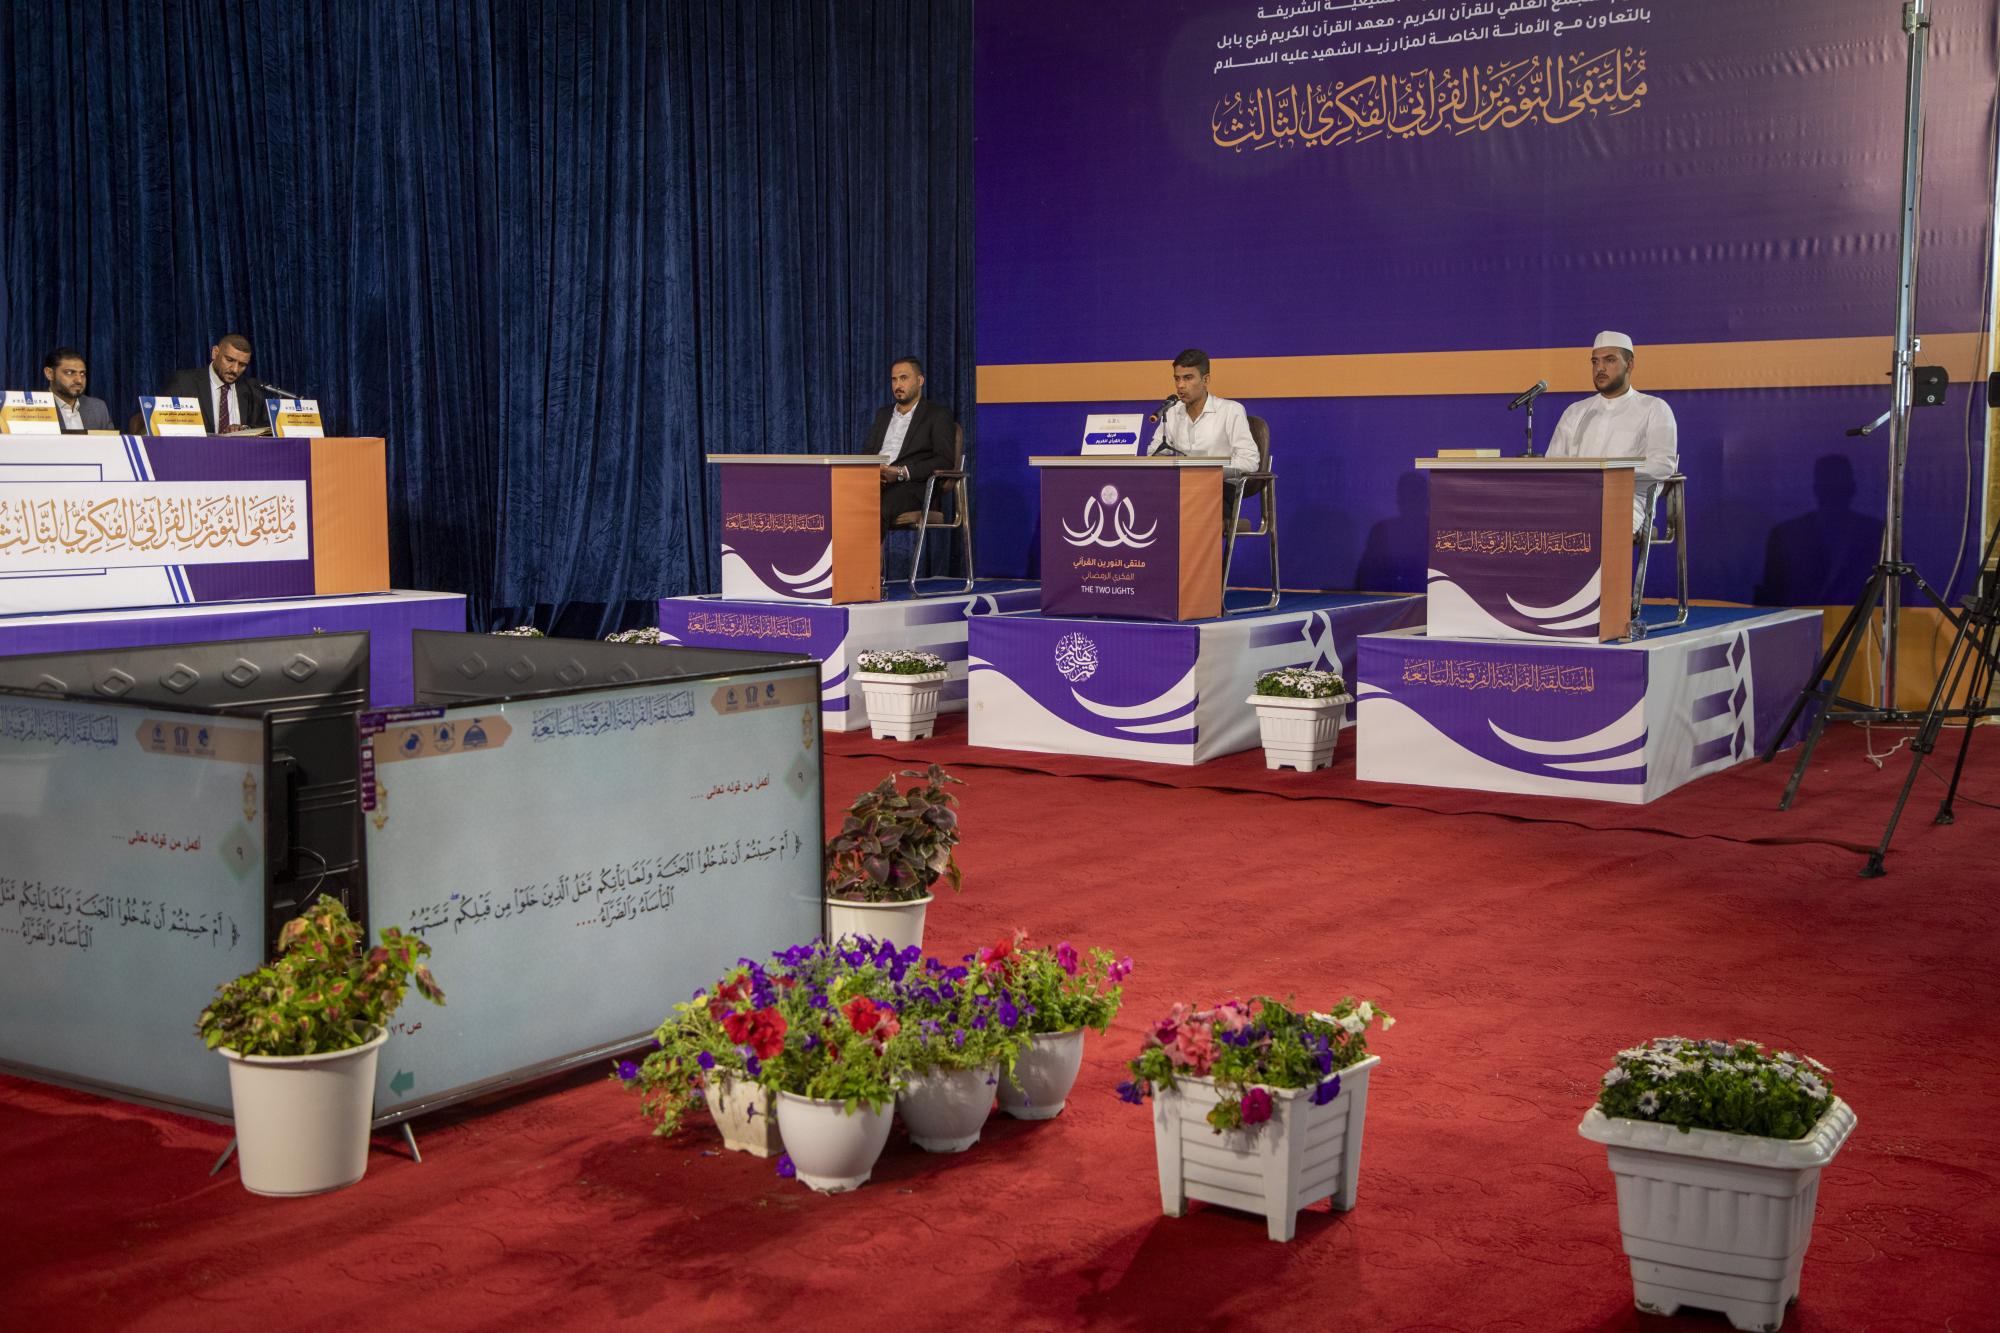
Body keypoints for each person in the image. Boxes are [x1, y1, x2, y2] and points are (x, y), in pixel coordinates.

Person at [1544, 331, 1678, 535]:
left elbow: (1662, 465)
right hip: (1574, 500)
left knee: (1597, 528)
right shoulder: (1575, 411)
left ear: (1630, 365)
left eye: (1610, 360)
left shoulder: (1654, 408)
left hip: (1625, 503)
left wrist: (1608, 474)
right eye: (1595, 362)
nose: (1600, 368)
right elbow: (1552, 463)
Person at [1146, 348, 1260, 530]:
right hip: (1181, 489)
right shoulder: (1172, 412)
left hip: (1218, 491)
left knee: (1182, 516)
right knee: (1147, 505)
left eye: (1188, 378)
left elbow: (1250, 461)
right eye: (1177, 379)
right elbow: (1153, 453)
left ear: (1206, 380)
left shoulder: (1230, 411)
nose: (1180, 385)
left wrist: (1209, 471)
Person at [863, 356, 956, 533]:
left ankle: (866, 553)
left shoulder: (937, 415)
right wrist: (871, 470)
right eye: (894, 379)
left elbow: (944, 459)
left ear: (920, 381)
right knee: (839, 500)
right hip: (875, 481)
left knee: (873, 509)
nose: (898, 385)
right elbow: (867, 453)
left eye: (903, 378)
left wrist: (901, 472)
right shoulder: (883, 414)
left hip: (912, 486)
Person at [162, 333, 269, 434]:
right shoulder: (184, 383)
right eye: (229, 360)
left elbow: (266, 427)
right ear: (215, 353)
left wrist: (245, 428)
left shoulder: (253, 388)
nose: (235, 370)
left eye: (242, 365)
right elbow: (165, 424)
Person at [40, 347, 112, 432]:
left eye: (82, 373)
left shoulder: (98, 408)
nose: (79, 380)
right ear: (49, 374)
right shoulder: (34, 408)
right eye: (69, 372)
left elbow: (111, 440)